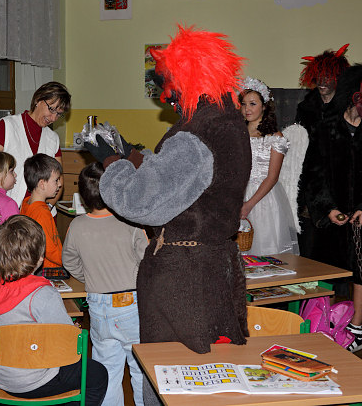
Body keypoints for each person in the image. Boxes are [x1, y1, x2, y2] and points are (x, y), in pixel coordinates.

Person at [84, 25, 250, 404]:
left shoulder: (196, 133)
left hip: (184, 278)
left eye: (169, 87)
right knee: (209, 376)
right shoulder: (227, 122)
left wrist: (111, 162)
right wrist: (131, 155)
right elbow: (183, 181)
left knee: (173, 378)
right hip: (213, 266)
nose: (165, 97)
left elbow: (143, 202)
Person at [300, 64, 362, 352]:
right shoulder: (326, 128)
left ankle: (355, 330)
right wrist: (327, 208)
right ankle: (324, 323)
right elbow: (314, 174)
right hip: (332, 216)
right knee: (327, 272)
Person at [0, 215, 108, 404]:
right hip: (34, 381)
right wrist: (74, 331)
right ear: (40, 257)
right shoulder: (42, 294)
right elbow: (69, 346)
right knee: (98, 375)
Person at [62, 162, 148, 406]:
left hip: (98, 306)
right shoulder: (131, 223)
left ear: (83, 196)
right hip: (131, 305)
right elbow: (147, 259)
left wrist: (88, 276)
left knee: (107, 371)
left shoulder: (77, 226)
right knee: (140, 369)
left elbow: (69, 260)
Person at [0, 81, 71, 222]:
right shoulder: (6, 126)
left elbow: (59, 180)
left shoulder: (53, 139)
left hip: (42, 216)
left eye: (59, 114)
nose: (53, 118)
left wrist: (46, 208)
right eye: (51, 109)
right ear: (38, 100)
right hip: (7, 215)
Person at [296, 45, 350, 260]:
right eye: (319, 75)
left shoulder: (349, 109)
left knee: (339, 254)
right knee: (309, 252)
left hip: (341, 185)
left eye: (328, 75)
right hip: (311, 186)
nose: (323, 80)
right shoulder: (305, 108)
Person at [239, 77, 299, 256]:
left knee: (264, 251)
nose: (247, 109)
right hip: (238, 193)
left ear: (264, 106)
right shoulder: (237, 133)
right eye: (244, 104)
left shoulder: (274, 137)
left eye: (252, 104)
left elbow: (272, 177)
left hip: (262, 198)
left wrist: (249, 205)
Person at [20, 153, 63, 269]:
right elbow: (48, 249)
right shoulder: (41, 213)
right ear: (42, 184)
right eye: (56, 180)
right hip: (50, 269)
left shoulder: (26, 202)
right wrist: (67, 262)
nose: (59, 184)